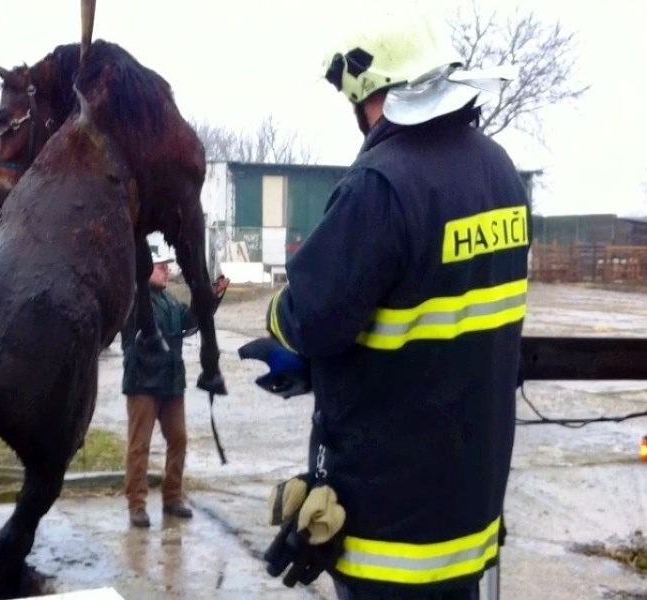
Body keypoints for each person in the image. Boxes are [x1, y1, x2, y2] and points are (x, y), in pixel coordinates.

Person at [248, 4, 531, 599]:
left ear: (367, 90)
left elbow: (311, 317)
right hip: (468, 518)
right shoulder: (500, 172)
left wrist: (282, 328)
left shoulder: (381, 183)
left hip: (390, 531)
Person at [122, 249, 230, 528]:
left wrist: (211, 298)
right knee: (139, 446)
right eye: (160, 267)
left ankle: (172, 498)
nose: (166, 271)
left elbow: (192, 321)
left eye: (167, 267)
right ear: (145, 269)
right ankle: (137, 505)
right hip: (142, 383)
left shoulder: (170, 302)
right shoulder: (133, 301)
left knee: (179, 440)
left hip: (171, 384)